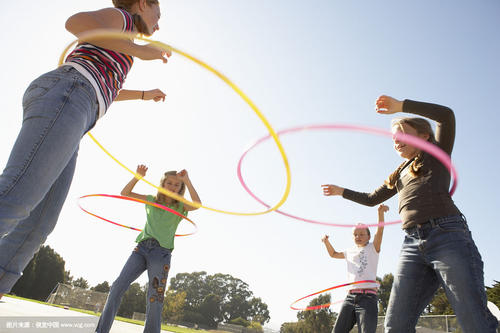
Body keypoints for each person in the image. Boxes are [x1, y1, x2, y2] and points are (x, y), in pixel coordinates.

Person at [0, 0, 169, 300]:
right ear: (143, 4)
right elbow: (75, 25)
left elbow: (106, 86)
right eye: (159, 13)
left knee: (40, 224)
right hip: (69, 93)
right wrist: (142, 52)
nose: (160, 22)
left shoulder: (123, 42)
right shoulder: (121, 20)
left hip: (79, 106)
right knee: (17, 196)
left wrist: (144, 95)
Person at [321, 95, 498, 333]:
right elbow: (371, 199)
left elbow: (446, 116)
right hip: (412, 244)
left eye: (402, 134)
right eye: (393, 138)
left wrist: (400, 107)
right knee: (395, 325)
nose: (396, 141)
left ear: (424, 136)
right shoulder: (399, 174)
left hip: (447, 235)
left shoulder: (436, 154)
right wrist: (342, 191)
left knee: (473, 321)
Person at [96, 164, 201, 333]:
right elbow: (125, 193)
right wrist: (137, 176)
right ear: (162, 184)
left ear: (181, 189)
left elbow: (197, 204)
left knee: (155, 297)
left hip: (161, 254)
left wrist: (187, 180)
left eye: (177, 185)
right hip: (142, 249)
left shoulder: (181, 206)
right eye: (169, 183)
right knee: (117, 287)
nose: (173, 187)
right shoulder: (152, 200)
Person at [322, 204, 387, 333]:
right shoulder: (349, 252)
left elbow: (380, 232)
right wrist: (326, 242)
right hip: (350, 298)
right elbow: (333, 254)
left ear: (368, 236)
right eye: (355, 234)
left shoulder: (373, 248)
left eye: (362, 234)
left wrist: (380, 213)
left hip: (367, 298)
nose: (358, 237)